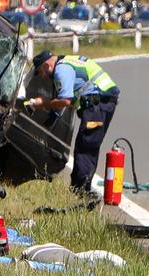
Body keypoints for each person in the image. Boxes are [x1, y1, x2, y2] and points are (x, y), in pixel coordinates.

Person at [28, 51, 121, 198]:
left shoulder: (61, 70)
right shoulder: (66, 61)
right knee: (88, 145)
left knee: (86, 146)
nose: (43, 77)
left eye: (41, 72)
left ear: (46, 65)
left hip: (97, 104)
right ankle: (80, 187)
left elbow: (65, 100)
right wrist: (52, 118)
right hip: (101, 103)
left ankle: (80, 190)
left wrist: (42, 103)